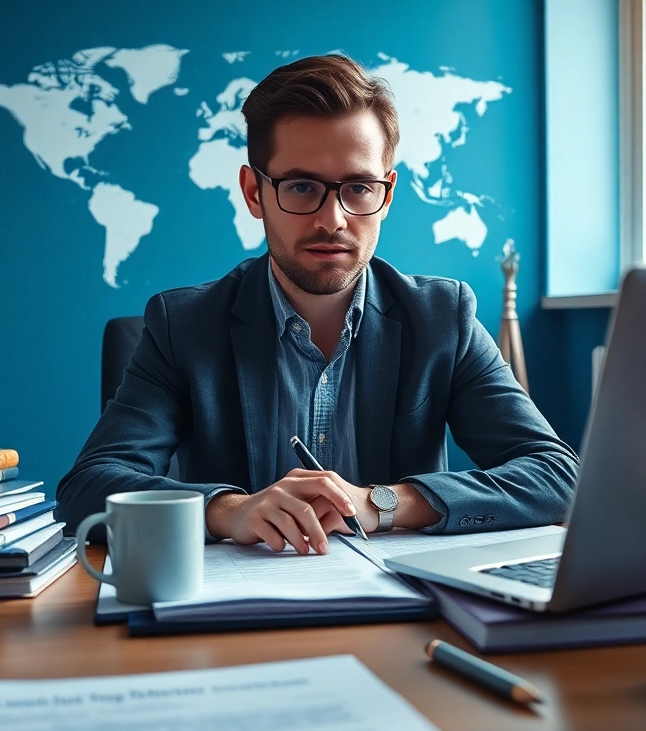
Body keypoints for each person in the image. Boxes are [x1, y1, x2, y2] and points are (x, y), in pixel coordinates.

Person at [57, 54, 578, 555]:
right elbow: (87, 488)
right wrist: (228, 510)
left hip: (398, 614)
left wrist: (384, 503)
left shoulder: (443, 317)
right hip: (239, 616)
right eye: (302, 186)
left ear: (387, 194)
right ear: (254, 192)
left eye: (358, 187)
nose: (333, 219)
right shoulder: (184, 325)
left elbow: (557, 476)